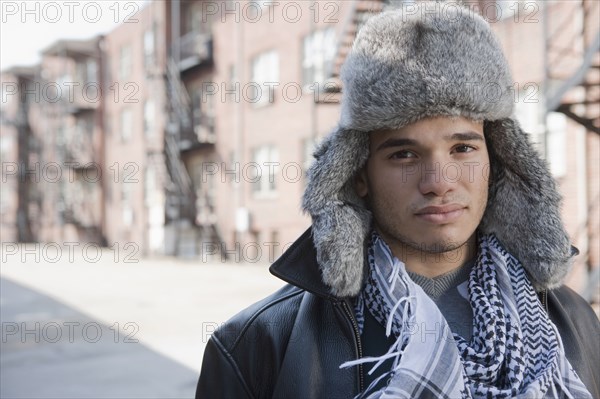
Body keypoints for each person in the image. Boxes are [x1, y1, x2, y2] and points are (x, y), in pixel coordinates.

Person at [196, 2, 599, 398]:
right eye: (404, 154)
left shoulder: (576, 325)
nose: (439, 183)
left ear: (497, 159)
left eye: (462, 149)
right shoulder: (259, 347)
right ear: (359, 175)